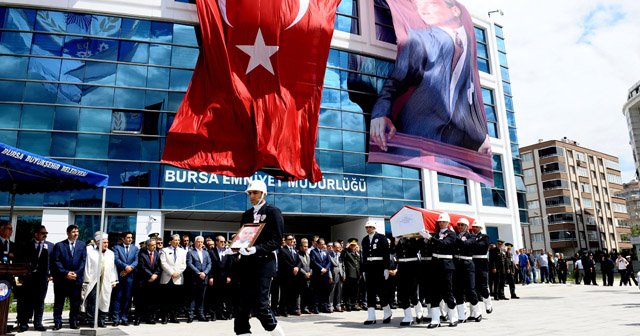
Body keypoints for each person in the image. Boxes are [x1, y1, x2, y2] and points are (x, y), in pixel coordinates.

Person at [370, 0, 490, 155]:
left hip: (453, 142)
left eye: (431, 4)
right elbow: (396, 82)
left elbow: (465, 97)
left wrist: (479, 137)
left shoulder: (469, 43)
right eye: (420, 6)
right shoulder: (420, 39)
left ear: (455, 10)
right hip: (415, 138)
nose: (423, 9)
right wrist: (380, 113)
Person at [234, 179, 285, 336]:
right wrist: (234, 248)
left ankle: (277, 333)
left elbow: (277, 240)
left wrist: (257, 249)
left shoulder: (273, 212)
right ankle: (242, 332)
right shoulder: (247, 214)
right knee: (242, 304)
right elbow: (243, 237)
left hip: (264, 263)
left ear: (263, 193)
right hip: (247, 264)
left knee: (260, 305)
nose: (251, 196)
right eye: (249, 193)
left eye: (255, 192)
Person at [422, 212, 457, 328]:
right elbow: (432, 248)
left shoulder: (452, 234)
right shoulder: (436, 235)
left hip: (446, 265)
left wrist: (431, 238)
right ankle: (435, 319)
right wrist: (426, 240)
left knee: (447, 292)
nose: (441, 223)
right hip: (435, 265)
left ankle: (453, 317)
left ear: (447, 222)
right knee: (433, 293)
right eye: (439, 222)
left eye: (443, 221)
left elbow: (445, 244)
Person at [15, 225, 52, 332]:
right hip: (28, 277)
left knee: (40, 301)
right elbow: (20, 260)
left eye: (46, 233)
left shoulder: (50, 246)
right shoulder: (26, 245)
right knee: (26, 301)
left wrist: (51, 275)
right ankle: (24, 323)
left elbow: (53, 262)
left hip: (42, 278)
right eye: (42, 233)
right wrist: (21, 276)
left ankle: (38, 323)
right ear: (36, 234)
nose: (45, 235)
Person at [52, 224, 87, 330]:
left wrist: (76, 273)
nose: (76, 233)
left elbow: (83, 261)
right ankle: (57, 322)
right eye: (73, 231)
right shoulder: (59, 245)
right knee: (59, 302)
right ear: (68, 233)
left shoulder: (82, 245)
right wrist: (66, 273)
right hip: (62, 279)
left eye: (77, 231)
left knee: (75, 303)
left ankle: (73, 322)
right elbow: (56, 261)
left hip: (76, 279)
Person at [81, 232, 118, 328]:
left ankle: (102, 320)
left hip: (106, 280)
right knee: (92, 300)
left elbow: (113, 268)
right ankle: (92, 320)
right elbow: (87, 267)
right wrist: (87, 280)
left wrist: (113, 280)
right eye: (104, 242)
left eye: (107, 242)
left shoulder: (111, 253)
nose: (106, 244)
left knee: (105, 300)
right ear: (97, 243)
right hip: (93, 280)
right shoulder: (91, 253)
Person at [361, 221, 392, 325]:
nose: (368, 229)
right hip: (369, 268)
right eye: (367, 227)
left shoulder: (382, 238)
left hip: (379, 267)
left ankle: (387, 313)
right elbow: (364, 256)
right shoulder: (365, 240)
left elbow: (386, 254)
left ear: (374, 227)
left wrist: (386, 268)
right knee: (370, 292)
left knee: (382, 291)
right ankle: (371, 316)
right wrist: (364, 270)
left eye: (370, 227)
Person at [453, 218, 479, 324]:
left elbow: (466, 244)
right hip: (457, 265)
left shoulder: (472, 236)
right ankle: (461, 314)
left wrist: (453, 236)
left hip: (468, 264)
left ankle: (477, 312)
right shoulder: (455, 236)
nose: (459, 226)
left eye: (462, 225)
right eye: (458, 225)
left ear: (467, 226)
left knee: (470, 289)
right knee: (458, 290)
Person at [112, 231, 139, 326]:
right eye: (128, 237)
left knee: (127, 299)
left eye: (131, 237)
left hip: (130, 277)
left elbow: (136, 261)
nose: (130, 239)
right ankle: (116, 319)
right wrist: (125, 267)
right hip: (120, 276)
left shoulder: (135, 248)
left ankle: (124, 318)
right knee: (117, 298)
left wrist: (129, 268)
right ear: (123, 238)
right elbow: (116, 260)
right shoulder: (116, 248)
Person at [160, 234, 187, 323]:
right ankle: (165, 317)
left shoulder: (183, 251)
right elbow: (163, 263)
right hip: (167, 278)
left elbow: (184, 264)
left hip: (178, 278)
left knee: (176, 300)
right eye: (175, 240)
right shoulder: (164, 250)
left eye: (178, 240)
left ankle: (173, 317)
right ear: (171, 241)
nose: (177, 242)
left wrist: (177, 273)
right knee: (166, 299)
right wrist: (172, 272)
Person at [394, 236, 421, 326]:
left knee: (412, 293)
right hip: (401, 266)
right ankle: (408, 316)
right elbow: (392, 251)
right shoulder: (396, 240)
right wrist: (396, 242)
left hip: (412, 266)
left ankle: (419, 310)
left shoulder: (413, 239)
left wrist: (410, 238)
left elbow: (416, 249)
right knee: (402, 292)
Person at [136, 238, 162, 325]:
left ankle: (149, 318)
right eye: (152, 245)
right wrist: (150, 275)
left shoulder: (157, 254)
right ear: (147, 246)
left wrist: (155, 275)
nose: (154, 247)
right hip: (144, 280)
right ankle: (138, 318)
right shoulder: (142, 254)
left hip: (154, 281)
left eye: (155, 245)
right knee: (141, 300)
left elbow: (159, 266)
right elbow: (142, 266)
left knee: (151, 301)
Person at [186, 236, 211, 322]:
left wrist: (205, 273)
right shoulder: (190, 252)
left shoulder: (206, 253)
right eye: (198, 242)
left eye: (201, 242)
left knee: (201, 297)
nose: (200, 243)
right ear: (195, 242)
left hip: (204, 278)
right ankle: (191, 315)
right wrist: (198, 273)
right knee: (192, 297)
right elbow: (189, 264)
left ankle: (201, 315)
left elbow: (209, 264)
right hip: (194, 278)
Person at [208, 235, 233, 320]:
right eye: (221, 242)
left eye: (224, 242)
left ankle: (220, 313)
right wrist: (210, 277)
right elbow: (210, 265)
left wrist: (229, 276)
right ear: (216, 242)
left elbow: (229, 265)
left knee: (222, 297)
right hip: (214, 277)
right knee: (213, 297)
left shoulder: (227, 252)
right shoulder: (211, 252)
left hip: (224, 278)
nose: (223, 243)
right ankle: (213, 314)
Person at [470, 220, 492, 317]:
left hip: (482, 263)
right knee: (472, 287)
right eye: (473, 227)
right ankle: (474, 311)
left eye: (476, 227)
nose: (474, 229)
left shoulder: (485, 237)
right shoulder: (471, 237)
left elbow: (481, 246)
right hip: (473, 262)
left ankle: (488, 303)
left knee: (483, 286)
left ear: (480, 228)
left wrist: (472, 241)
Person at [277, 235, 300, 316]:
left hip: (295, 275)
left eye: (292, 239)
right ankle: (283, 310)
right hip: (286, 275)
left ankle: (292, 309)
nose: (291, 241)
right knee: (285, 294)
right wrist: (293, 268)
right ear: (286, 240)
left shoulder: (295, 250)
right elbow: (284, 262)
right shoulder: (282, 250)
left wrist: (297, 267)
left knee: (293, 293)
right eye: (289, 239)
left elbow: (299, 260)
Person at [310, 238, 333, 314]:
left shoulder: (326, 252)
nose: (323, 245)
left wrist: (325, 269)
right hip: (317, 275)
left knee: (325, 291)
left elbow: (329, 262)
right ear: (318, 244)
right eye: (322, 244)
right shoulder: (313, 252)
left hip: (325, 275)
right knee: (316, 291)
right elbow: (313, 261)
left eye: (324, 244)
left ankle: (324, 306)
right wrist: (321, 269)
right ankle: (315, 307)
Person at [342, 238, 361, 312]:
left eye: (354, 245)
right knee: (348, 290)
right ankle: (348, 305)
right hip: (349, 274)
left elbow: (359, 263)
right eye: (352, 245)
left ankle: (354, 304)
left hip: (357, 274)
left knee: (355, 290)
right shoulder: (346, 252)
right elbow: (342, 257)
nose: (353, 246)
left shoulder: (357, 253)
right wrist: (346, 248)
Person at [297, 238, 313, 315]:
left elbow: (311, 266)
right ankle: (298, 309)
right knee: (299, 294)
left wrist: (310, 273)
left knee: (307, 293)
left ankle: (305, 308)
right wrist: (304, 273)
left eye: (307, 246)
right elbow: (298, 266)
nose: (306, 248)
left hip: (308, 277)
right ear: (300, 247)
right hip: (300, 277)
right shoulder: (297, 254)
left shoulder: (308, 255)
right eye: (304, 246)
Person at [329, 241, 345, 313]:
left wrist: (344, 274)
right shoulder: (329, 255)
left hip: (340, 275)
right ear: (333, 247)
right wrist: (330, 277)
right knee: (332, 291)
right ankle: (331, 305)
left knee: (339, 291)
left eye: (339, 247)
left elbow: (343, 265)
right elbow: (329, 267)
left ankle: (338, 305)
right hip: (333, 275)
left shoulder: (341, 255)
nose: (338, 249)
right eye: (337, 248)